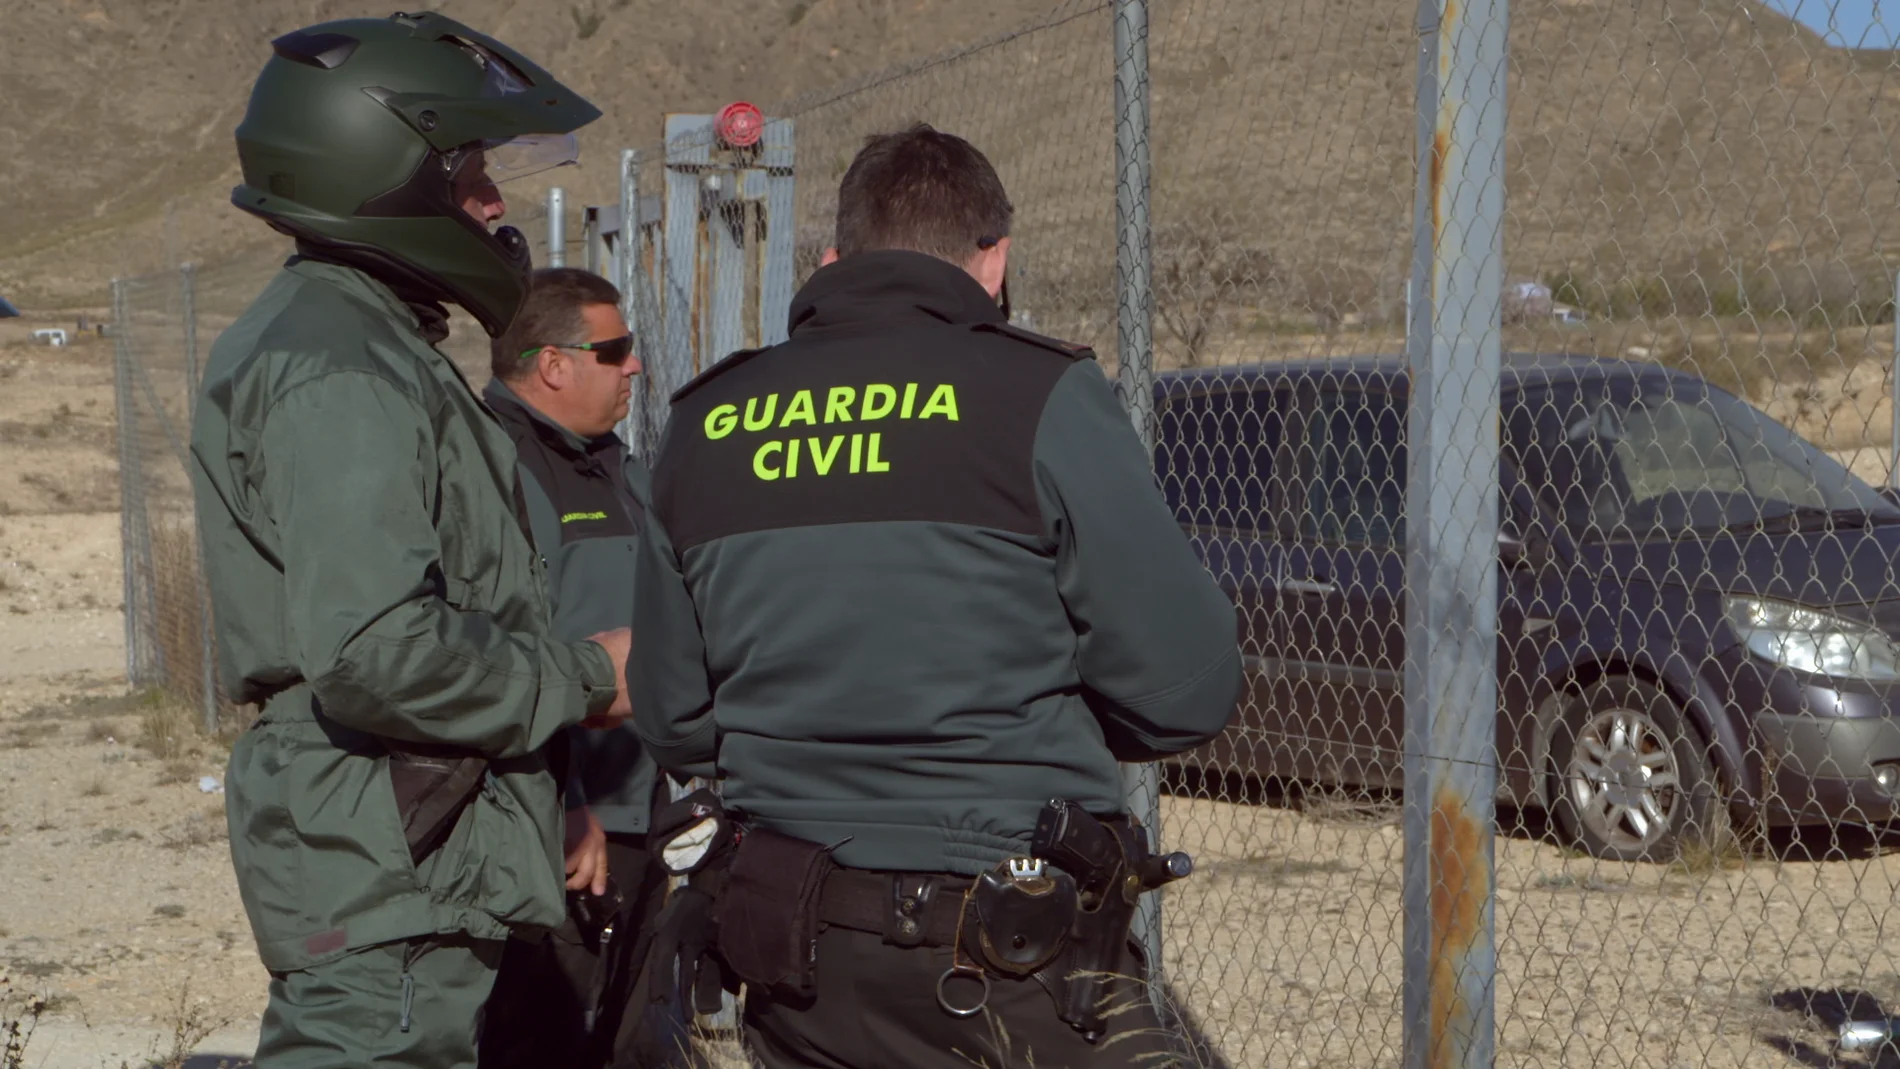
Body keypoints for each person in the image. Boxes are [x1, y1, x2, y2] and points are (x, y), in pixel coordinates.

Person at [628, 123, 1243, 1069]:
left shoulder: (705, 419)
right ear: (994, 259)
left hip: (799, 960)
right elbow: (1187, 689)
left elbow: (674, 716)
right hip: (1010, 956)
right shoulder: (1039, 393)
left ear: (833, 260)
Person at [188, 15, 631, 1069]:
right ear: (382, 174)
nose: (495, 202)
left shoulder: (360, 338)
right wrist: (587, 678)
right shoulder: (342, 367)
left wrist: (547, 796)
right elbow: (375, 650)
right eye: (471, 174)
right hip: (385, 863)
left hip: (406, 847)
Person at [476, 268, 695, 1069]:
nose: (635, 364)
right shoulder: (497, 468)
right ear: (553, 364)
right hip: (567, 832)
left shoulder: (614, 464)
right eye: (616, 349)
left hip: (640, 816)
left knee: (633, 1042)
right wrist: (558, 806)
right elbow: (494, 659)